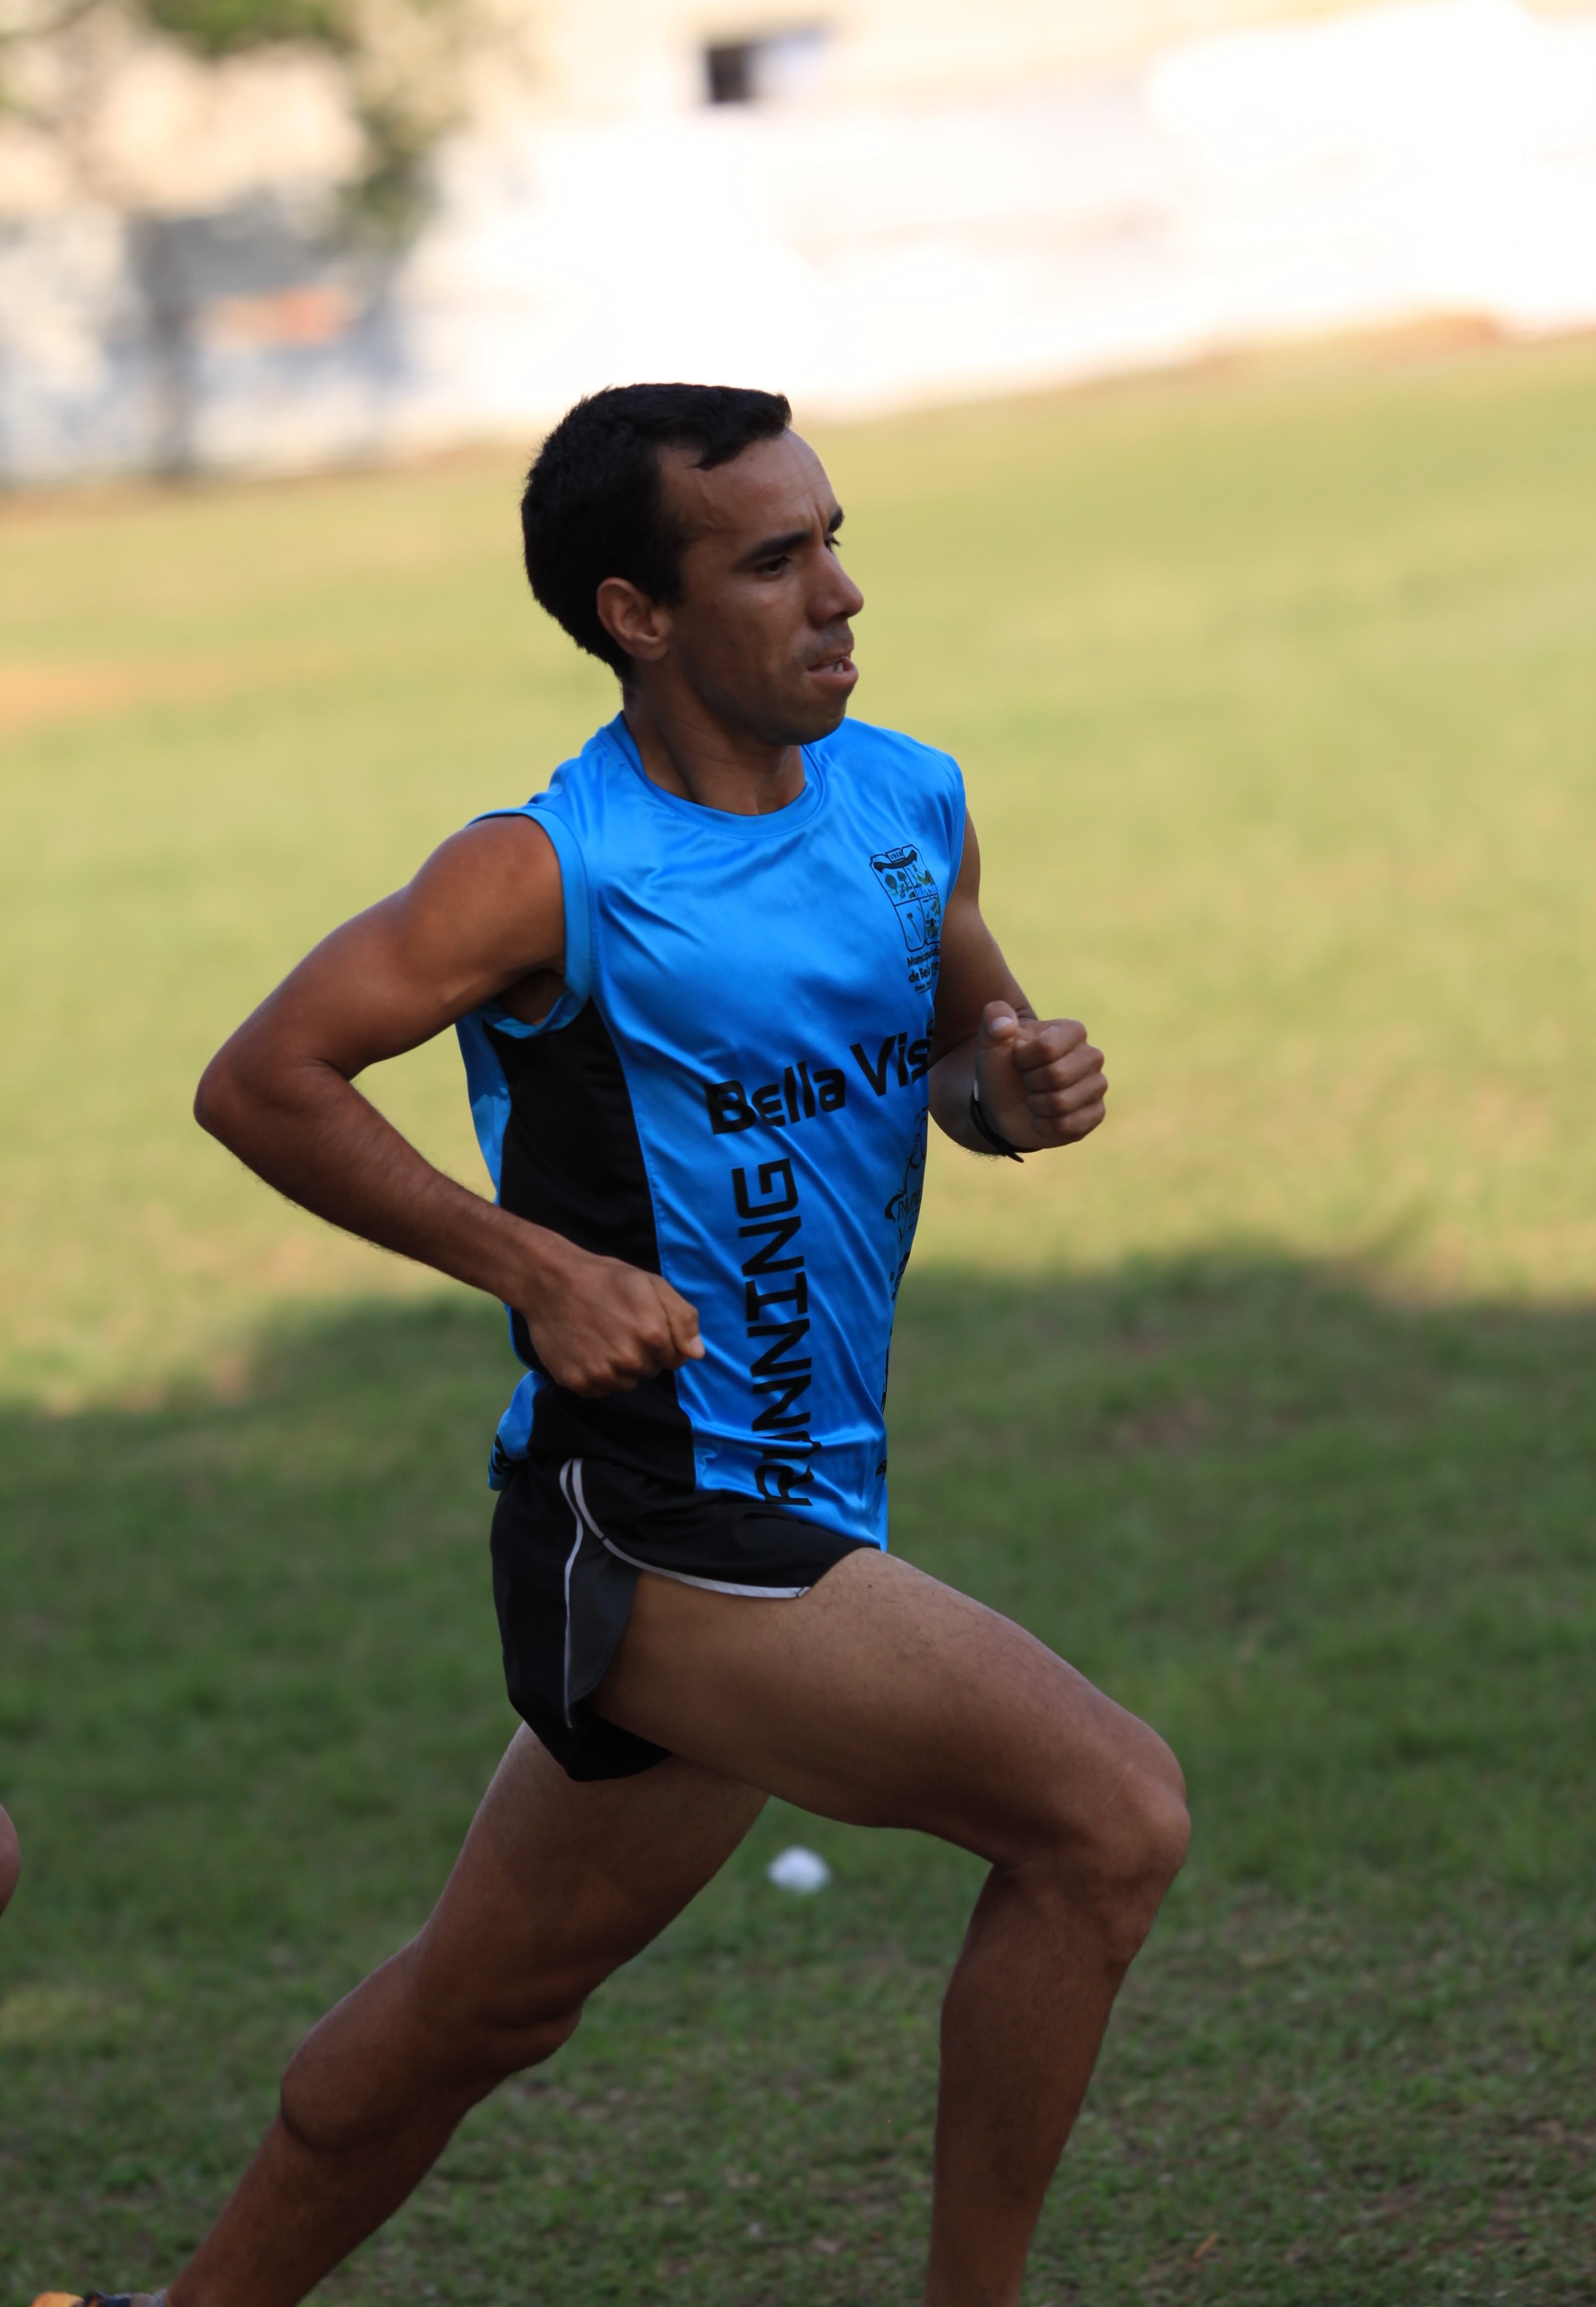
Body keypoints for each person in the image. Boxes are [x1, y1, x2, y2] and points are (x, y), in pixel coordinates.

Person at [46, 382, 1187, 2307]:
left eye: (833, 540)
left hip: (806, 1495)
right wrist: (535, 1268)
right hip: (652, 1520)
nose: (840, 593)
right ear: (636, 614)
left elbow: (955, 1058)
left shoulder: (909, 800)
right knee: (1111, 1821)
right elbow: (264, 1080)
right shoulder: (546, 870)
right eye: (775, 560)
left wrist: (1011, 1097)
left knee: (483, 2007)